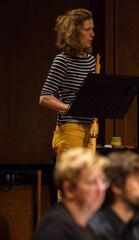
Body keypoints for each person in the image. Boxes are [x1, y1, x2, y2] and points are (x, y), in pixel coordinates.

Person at [39, 8, 97, 156]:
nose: (92, 34)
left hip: (90, 128)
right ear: (74, 32)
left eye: (92, 29)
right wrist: (70, 108)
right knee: (73, 176)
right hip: (70, 127)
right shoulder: (62, 60)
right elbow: (45, 98)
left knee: (86, 177)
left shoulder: (91, 61)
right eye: (87, 30)